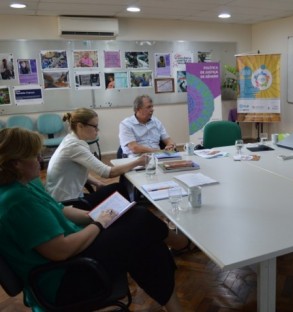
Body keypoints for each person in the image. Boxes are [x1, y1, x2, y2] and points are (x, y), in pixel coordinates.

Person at [0, 127, 183, 311]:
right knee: (140, 219)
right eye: (34, 156)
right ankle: (179, 243)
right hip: (64, 280)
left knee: (143, 237)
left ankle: (173, 302)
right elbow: (62, 251)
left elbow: (59, 209)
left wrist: (94, 215)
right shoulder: (16, 201)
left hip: (74, 259)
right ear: (16, 164)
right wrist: (98, 223)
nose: (40, 160)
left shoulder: (25, 184)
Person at [46, 108, 147, 207]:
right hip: (66, 204)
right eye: (95, 126)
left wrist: (97, 182)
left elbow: (77, 172)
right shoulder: (74, 146)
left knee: (116, 189)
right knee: (120, 189)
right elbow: (108, 173)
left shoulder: (71, 140)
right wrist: (137, 162)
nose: (97, 130)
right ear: (80, 126)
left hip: (61, 199)